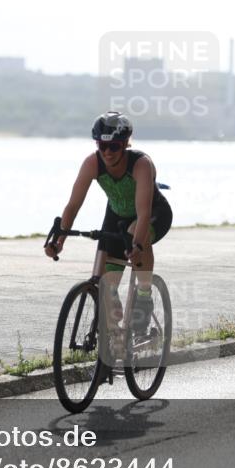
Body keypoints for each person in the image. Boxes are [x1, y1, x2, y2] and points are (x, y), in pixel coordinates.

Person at [45, 111, 172, 334]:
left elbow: (143, 214)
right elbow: (73, 206)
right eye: (101, 147)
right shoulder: (92, 163)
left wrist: (137, 247)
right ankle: (112, 347)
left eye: (113, 146)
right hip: (116, 217)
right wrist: (60, 241)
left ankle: (144, 295)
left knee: (135, 233)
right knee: (106, 286)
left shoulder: (141, 164)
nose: (107, 153)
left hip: (153, 214)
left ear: (124, 144)